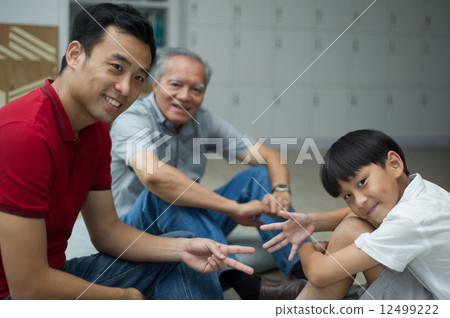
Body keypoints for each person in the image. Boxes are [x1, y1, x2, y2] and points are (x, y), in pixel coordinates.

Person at [0, 3, 255, 300]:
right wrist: (123, 297)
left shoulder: (95, 131)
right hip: (14, 296)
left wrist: (183, 249)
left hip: (54, 274)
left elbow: (107, 230)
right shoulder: (24, 134)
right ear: (74, 55)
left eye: (138, 77)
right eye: (117, 67)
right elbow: (28, 288)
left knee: (186, 248)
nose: (126, 88)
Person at [110, 47, 309, 299]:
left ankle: (306, 271)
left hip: (189, 220)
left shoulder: (202, 120)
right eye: (176, 84)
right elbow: (154, 176)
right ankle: (244, 282)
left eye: (197, 89)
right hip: (136, 227)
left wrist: (281, 191)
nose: (185, 96)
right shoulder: (132, 117)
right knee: (165, 191)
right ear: (156, 84)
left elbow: (269, 156)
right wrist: (232, 208)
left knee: (258, 177)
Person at [262, 129, 450, 300]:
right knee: (353, 223)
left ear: (394, 164)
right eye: (348, 196)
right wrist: (312, 222)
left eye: (362, 182)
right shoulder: (423, 193)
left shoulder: (411, 219)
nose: (359, 201)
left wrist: (306, 248)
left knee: (349, 230)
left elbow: (318, 273)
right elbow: (367, 212)